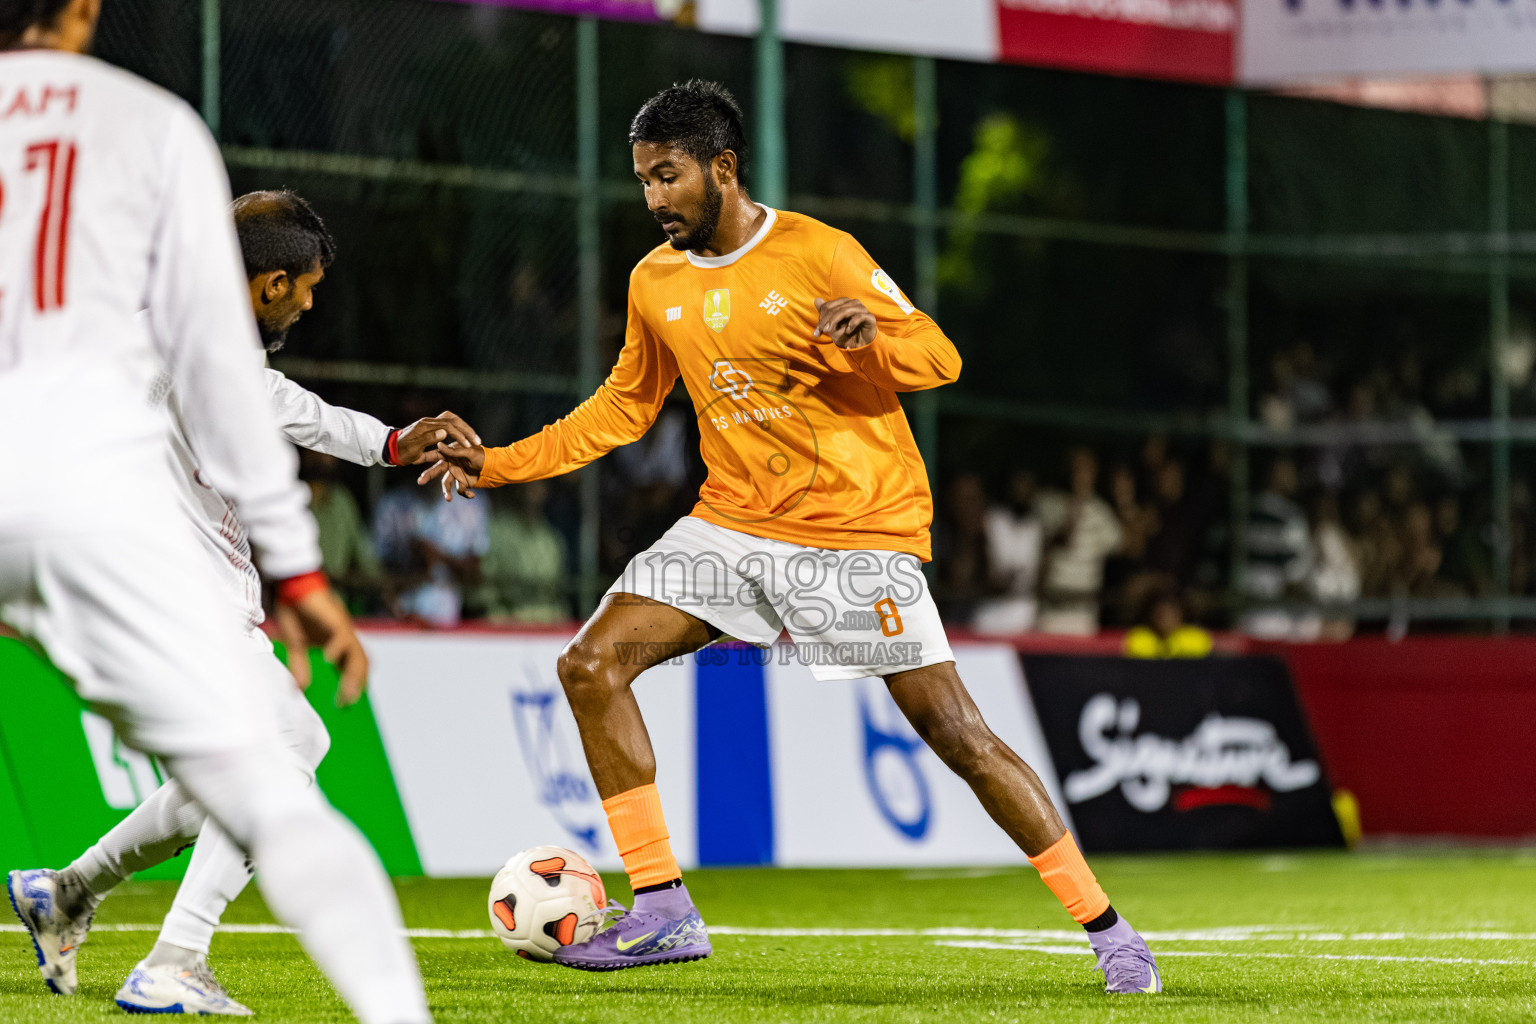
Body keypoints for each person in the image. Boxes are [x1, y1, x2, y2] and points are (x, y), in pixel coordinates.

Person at [423, 80, 1160, 993]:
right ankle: (662, 908)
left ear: (723, 169)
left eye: (667, 176)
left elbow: (939, 357)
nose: (652, 198)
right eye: (643, 180)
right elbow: (622, 408)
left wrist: (868, 341)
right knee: (590, 665)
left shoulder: (819, 252)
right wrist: (497, 463)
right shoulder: (655, 282)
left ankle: (1110, 932)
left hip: (855, 532)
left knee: (955, 732)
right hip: (732, 526)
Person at [7, 178, 467, 1020]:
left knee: (270, 755)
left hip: (160, 596)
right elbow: (281, 419)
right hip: (171, 599)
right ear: (270, 283)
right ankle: (175, 960)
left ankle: (67, 891)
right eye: (307, 289)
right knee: (282, 753)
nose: (311, 305)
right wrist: (391, 446)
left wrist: (393, 442)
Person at [1035, 448, 1124, 635]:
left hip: (1084, 613)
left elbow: (1123, 544)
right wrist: (1076, 504)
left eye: (1088, 470)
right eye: (1077, 469)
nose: (1082, 475)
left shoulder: (1101, 511)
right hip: (1051, 610)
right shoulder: (1048, 502)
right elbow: (1060, 539)